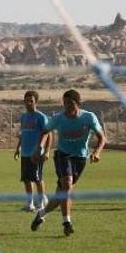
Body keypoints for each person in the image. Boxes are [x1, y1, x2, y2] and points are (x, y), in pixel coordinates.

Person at [30, 89, 106, 236]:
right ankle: (67, 222)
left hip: (80, 158)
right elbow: (45, 131)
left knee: (62, 194)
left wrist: (97, 152)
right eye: (64, 103)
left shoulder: (88, 117)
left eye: (70, 103)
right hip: (62, 155)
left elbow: (102, 138)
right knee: (67, 184)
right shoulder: (59, 118)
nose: (67, 106)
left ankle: (41, 214)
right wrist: (39, 148)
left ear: (77, 103)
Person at [14, 91, 50, 212]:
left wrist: (47, 152)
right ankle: (30, 203)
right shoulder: (24, 117)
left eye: (31, 101)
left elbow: (48, 134)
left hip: (36, 153)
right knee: (26, 179)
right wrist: (18, 148)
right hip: (25, 152)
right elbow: (23, 134)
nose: (28, 103)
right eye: (26, 100)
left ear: (36, 102)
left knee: (37, 178)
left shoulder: (41, 117)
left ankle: (42, 202)